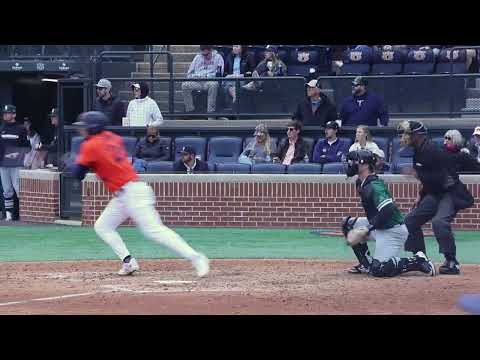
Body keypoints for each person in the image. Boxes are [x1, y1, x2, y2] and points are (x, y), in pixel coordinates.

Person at [68, 111, 209, 277]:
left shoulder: (90, 145)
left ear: (93, 128)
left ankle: (196, 257)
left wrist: (72, 163)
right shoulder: (112, 137)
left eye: (84, 127)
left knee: (154, 231)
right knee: (103, 226)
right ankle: (128, 261)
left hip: (132, 193)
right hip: (125, 193)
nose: (81, 130)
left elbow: (78, 174)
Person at [341, 149, 436, 277]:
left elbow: (388, 209)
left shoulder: (374, 185)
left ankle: (417, 261)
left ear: (364, 165)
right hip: (379, 227)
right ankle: (366, 264)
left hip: (392, 231)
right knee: (348, 224)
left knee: (379, 269)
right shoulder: (361, 182)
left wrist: (366, 229)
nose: (350, 164)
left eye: (354, 161)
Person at [397, 120, 474, 275]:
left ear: (417, 135)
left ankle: (451, 261)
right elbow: (426, 179)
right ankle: (420, 258)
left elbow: (439, 177)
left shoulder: (432, 150)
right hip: (434, 192)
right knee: (410, 221)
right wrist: (420, 195)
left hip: (449, 192)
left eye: (407, 134)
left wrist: (416, 174)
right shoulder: (418, 150)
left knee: (439, 222)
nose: (404, 138)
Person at [0, 105, 29, 221]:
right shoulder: (1, 128)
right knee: (6, 190)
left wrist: (18, 155)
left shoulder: (21, 128)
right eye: (5, 113)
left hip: (16, 163)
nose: (6, 115)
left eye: (8, 113)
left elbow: (27, 147)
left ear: (14, 114)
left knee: (18, 189)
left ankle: (23, 214)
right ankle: (8, 215)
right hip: (3, 163)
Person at [181, 45, 224, 117]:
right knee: (185, 85)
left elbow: (219, 74)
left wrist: (207, 76)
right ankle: (190, 110)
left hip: (210, 81)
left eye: (206, 54)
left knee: (213, 85)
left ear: (211, 51)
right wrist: (195, 76)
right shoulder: (197, 57)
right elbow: (189, 73)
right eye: (203, 54)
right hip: (197, 81)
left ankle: (211, 112)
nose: (204, 56)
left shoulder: (218, 57)